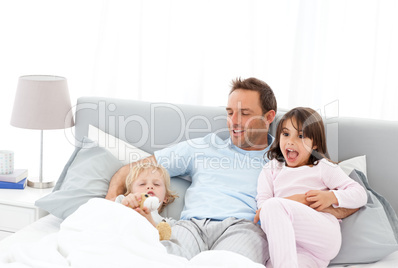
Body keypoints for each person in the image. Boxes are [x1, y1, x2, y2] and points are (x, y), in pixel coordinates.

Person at [106, 77, 357, 265]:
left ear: (269, 117)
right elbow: (133, 168)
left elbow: (347, 198)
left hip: (244, 228)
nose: (234, 122)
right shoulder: (203, 146)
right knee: (161, 260)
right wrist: (110, 204)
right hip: (191, 226)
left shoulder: (286, 157)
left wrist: (322, 202)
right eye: (230, 113)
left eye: (245, 114)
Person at [254, 107, 367, 268]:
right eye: (285, 134)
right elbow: (262, 207)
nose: (291, 141)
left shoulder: (322, 167)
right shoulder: (271, 168)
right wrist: (294, 201)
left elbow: (359, 194)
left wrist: (331, 197)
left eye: (301, 136)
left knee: (272, 206)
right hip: (292, 248)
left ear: (314, 143)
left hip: (321, 236)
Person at [115, 162, 177, 227]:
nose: (150, 186)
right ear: (131, 193)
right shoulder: (124, 201)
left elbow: (172, 236)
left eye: (156, 184)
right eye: (142, 184)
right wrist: (125, 204)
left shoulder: (167, 223)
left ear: (165, 197)